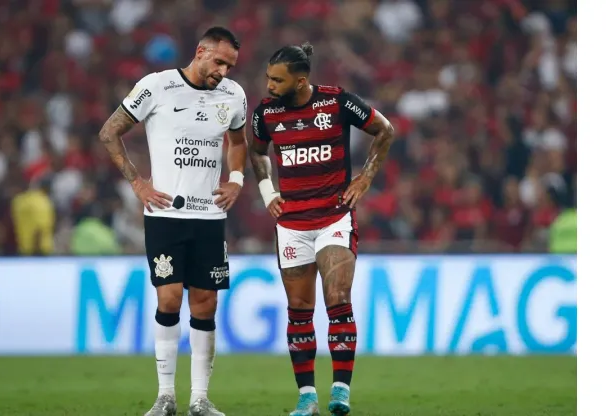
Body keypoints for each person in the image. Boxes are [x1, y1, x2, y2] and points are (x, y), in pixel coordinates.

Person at [98, 27, 248, 416]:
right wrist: (138, 183)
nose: (223, 72)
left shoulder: (233, 96)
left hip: (210, 217)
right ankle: (166, 396)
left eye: (230, 66)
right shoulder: (156, 86)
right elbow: (110, 131)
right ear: (200, 52)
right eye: (219, 62)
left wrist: (236, 180)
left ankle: (200, 398)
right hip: (165, 214)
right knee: (169, 297)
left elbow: (238, 141)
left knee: (206, 304)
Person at [248, 42, 395, 416]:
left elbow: (385, 130)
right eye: (268, 77)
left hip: (333, 217)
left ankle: (341, 390)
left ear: (301, 80)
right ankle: (306, 397)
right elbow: (256, 151)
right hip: (292, 224)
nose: (269, 86)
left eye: (277, 80)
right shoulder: (266, 113)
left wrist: (364, 178)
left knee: (338, 299)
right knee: (298, 310)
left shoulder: (338, 102)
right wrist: (267, 191)